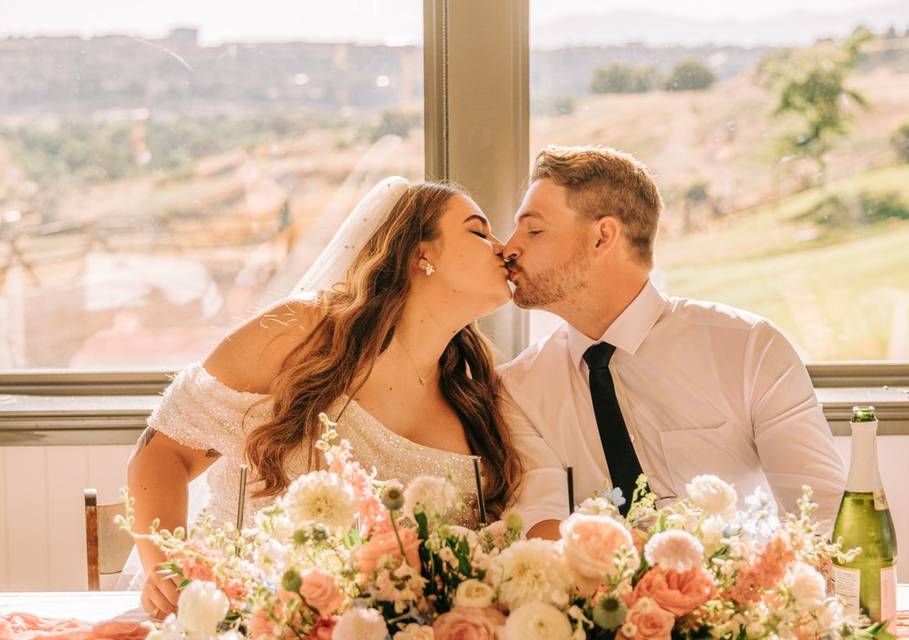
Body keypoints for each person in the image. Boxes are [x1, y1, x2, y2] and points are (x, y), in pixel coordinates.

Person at [127, 178, 522, 619]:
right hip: (251, 621)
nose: (504, 248)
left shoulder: (475, 393)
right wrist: (166, 569)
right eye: (479, 231)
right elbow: (163, 454)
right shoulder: (303, 334)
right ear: (420, 254)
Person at [499, 145, 846, 540]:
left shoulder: (748, 348)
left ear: (602, 238)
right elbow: (538, 528)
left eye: (534, 229)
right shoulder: (518, 389)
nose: (509, 248)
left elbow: (825, 513)